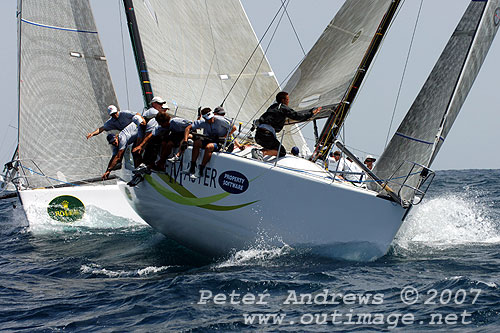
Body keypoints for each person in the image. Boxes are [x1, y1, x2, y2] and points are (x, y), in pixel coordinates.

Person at [252, 91, 321, 160]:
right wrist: (311, 113)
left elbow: (272, 118)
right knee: (281, 151)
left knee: (272, 147)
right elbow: (297, 116)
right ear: (283, 100)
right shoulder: (283, 108)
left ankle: (259, 154)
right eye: (287, 99)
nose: (288, 101)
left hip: (258, 135)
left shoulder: (272, 107)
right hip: (267, 135)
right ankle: (261, 152)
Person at [182, 108, 236, 179]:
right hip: (210, 139)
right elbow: (187, 128)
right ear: (204, 118)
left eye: (211, 118)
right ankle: (192, 168)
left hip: (221, 141)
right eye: (208, 119)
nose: (211, 120)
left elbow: (234, 128)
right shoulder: (203, 123)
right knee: (197, 143)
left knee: (208, 147)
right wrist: (185, 141)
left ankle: (200, 170)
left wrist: (224, 136)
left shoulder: (220, 120)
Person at [101, 115, 146, 180]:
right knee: (134, 151)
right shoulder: (116, 145)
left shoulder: (122, 138)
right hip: (136, 136)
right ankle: (138, 173)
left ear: (116, 137)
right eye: (112, 143)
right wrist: (107, 171)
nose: (114, 143)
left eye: (114, 141)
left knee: (135, 151)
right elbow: (113, 158)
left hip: (141, 127)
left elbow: (118, 157)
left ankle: (142, 168)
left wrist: (109, 170)